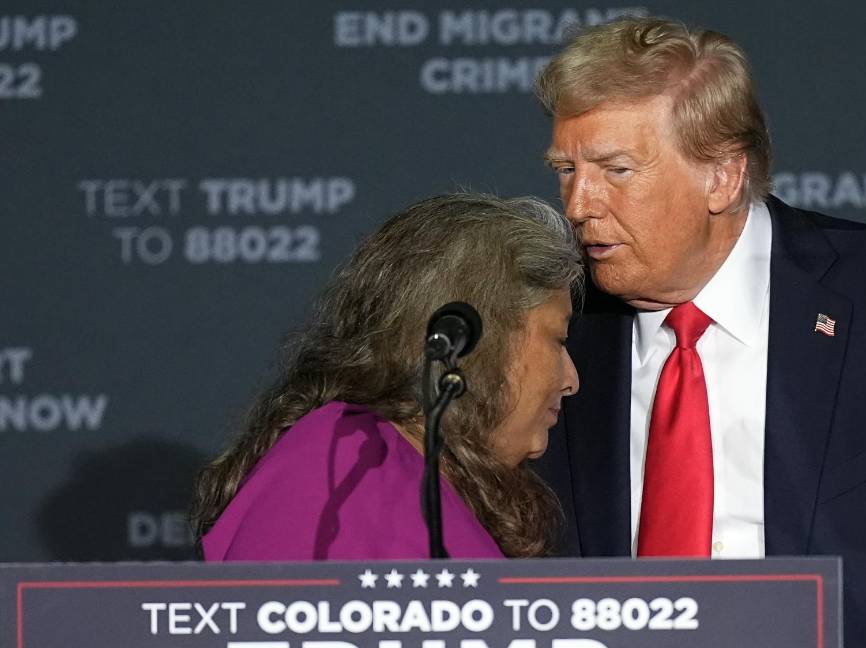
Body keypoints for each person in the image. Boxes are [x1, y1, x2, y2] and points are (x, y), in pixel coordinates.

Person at [532, 17, 866, 647]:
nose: (578, 205)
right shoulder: (556, 326)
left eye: (616, 170)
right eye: (566, 170)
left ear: (722, 176)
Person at [192, 193, 582, 560]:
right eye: (558, 339)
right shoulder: (341, 469)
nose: (571, 379)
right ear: (477, 341)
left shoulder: (422, 476)